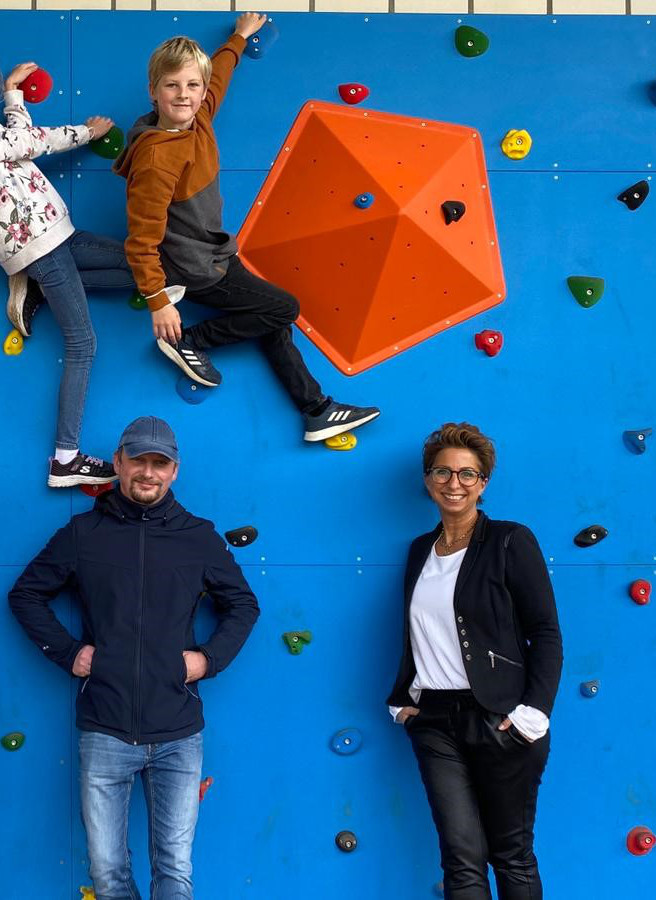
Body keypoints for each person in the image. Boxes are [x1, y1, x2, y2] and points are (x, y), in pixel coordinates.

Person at [8, 416, 259, 898]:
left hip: (178, 733)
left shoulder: (199, 536)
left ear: (175, 470)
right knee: (107, 873)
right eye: (138, 460)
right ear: (118, 463)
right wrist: (69, 654)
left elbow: (244, 605)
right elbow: (26, 596)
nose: (148, 472)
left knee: (174, 872)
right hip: (104, 728)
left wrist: (206, 660)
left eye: (159, 463)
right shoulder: (84, 534)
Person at [113, 14, 380, 444]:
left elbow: (217, 78)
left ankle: (317, 411)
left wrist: (237, 39)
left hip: (215, 253)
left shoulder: (197, 118)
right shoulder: (157, 158)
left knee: (271, 321)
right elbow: (141, 238)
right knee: (284, 309)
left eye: (191, 86)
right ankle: (191, 340)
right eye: (172, 86)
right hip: (196, 268)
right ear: (153, 91)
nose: (184, 95)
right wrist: (159, 302)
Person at [0, 39, 135, 488]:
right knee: (83, 345)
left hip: (50, 237)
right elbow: (30, 142)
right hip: (39, 243)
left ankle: (34, 289)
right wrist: (88, 133)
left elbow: (9, 147)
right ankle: (65, 458)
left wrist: (13, 95)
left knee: (141, 264)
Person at [387, 423, 562, 899]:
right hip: (435, 722)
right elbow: (415, 633)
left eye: (468, 473)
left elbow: (544, 631)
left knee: (512, 856)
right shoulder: (419, 551)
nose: (454, 483)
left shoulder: (509, 540)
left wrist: (533, 713)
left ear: (483, 483)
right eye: (443, 471)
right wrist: (403, 700)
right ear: (428, 479)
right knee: (461, 859)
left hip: (501, 719)